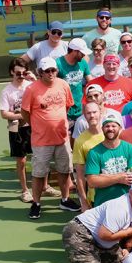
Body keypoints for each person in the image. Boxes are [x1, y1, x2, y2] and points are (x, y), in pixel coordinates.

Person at [21, 57, 80, 219]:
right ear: (40, 72)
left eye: (53, 70)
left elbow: (67, 105)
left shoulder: (63, 85)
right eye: (47, 71)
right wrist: (37, 125)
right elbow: (25, 112)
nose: (51, 73)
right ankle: (36, 203)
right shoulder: (32, 89)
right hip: (41, 141)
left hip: (62, 138)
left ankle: (65, 199)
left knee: (64, 170)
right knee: (39, 173)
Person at [84, 111, 132, 206]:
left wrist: (102, 176)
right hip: (103, 204)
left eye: (114, 126)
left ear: (120, 128)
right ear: (102, 128)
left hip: (126, 203)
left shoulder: (130, 148)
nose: (110, 129)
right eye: (107, 126)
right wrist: (119, 178)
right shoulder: (94, 152)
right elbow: (92, 182)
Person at [0, 58, 34, 202]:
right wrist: (22, 115)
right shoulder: (6, 91)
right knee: (21, 161)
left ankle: (44, 186)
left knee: (40, 158)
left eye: (23, 73)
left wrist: (34, 79)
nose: (21, 76)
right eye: (18, 73)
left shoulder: (32, 85)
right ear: (11, 73)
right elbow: (4, 113)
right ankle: (25, 190)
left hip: (34, 127)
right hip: (17, 129)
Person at [55, 38, 92, 125]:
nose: (84, 55)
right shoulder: (58, 64)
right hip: (64, 110)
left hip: (80, 109)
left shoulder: (83, 63)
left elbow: (91, 82)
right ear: (75, 51)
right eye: (82, 53)